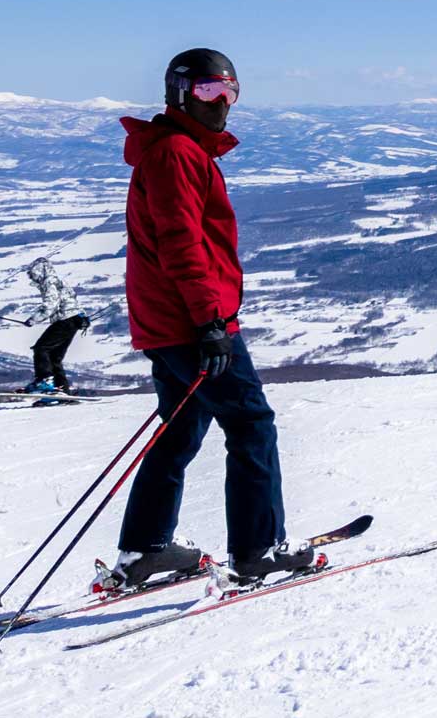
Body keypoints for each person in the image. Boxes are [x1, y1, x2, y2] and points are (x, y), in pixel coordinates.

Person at [105, 48, 313, 589]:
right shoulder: (177, 152)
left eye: (229, 92)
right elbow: (181, 244)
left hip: (170, 323)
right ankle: (259, 551)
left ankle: (146, 550)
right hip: (192, 324)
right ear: (178, 94)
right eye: (206, 91)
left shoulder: (178, 150)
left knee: (180, 429)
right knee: (251, 424)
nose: (221, 103)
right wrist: (210, 323)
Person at [17, 258, 90, 394]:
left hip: (64, 320)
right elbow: (72, 300)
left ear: (39, 271)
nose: (32, 277)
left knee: (41, 348)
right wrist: (83, 317)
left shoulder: (49, 282)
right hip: (74, 320)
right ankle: (60, 390)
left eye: (32, 274)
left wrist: (33, 319)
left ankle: (44, 381)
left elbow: (51, 304)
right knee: (54, 356)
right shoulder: (59, 281)